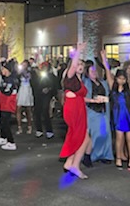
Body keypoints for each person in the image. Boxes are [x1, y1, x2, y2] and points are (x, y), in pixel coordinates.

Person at [59, 42, 90, 179]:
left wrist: (94, 100)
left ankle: (70, 162)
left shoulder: (78, 79)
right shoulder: (70, 75)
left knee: (76, 135)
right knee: (83, 137)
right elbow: (72, 65)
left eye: (82, 65)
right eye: (78, 64)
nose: (80, 66)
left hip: (78, 107)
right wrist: (78, 51)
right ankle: (75, 166)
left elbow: (81, 97)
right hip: (73, 109)